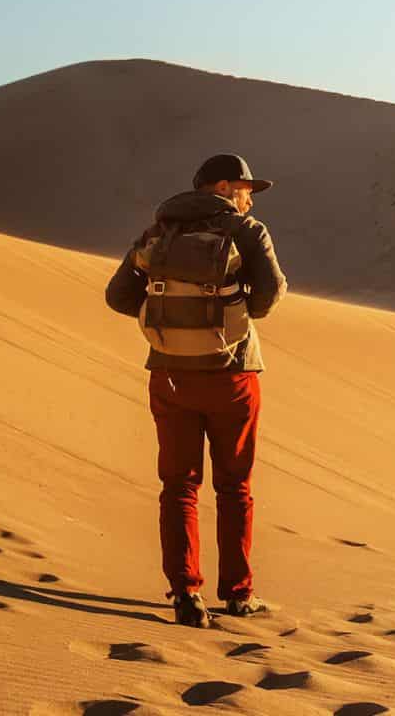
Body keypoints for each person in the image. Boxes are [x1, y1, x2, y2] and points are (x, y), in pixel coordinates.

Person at [105, 153, 288, 627]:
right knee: (234, 486)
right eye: (246, 187)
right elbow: (269, 295)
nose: (250, 197)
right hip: (232, 375)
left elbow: (119, 296)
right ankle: (238, 594)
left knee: (179, 486)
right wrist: (230, 310)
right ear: (224, 186)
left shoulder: (158, 233)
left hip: (169, 376)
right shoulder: (248, 232)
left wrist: (171, 319)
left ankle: (186, 593)